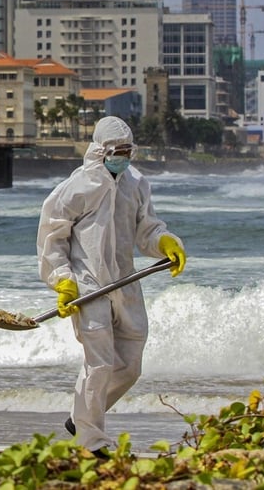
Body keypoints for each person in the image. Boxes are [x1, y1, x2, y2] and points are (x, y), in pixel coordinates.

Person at [36, 116, 187, 457]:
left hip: (125, 282)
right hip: (88, 285)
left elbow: (146, 228)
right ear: (101, 150)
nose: (123, 156)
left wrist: (165, 242)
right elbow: (52, 237)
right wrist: (63, 281)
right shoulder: (76, 188)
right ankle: (92, 442)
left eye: (127, 151)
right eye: (117, 151)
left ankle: (82, 417)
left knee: (130, 365)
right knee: (99, 364)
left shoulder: (135, 183)